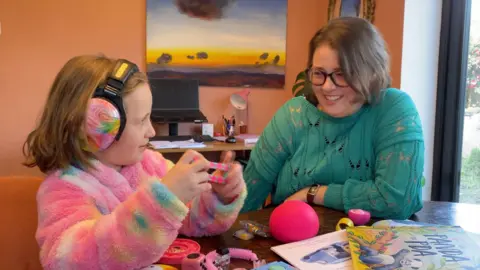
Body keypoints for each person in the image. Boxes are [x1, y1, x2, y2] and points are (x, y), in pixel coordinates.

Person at [22, 55, 247, 270]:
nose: (151, 131)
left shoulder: (150, 165)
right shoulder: (62, 189)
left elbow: (192, 220)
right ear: (96, 128)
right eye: (141, 121)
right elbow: (71, 260)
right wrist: (163, 202)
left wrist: (219, 197)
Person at [241, 17, 424, 220]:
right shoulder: (292, 116)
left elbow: (398, 200)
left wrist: (313, 194)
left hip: (371, 246)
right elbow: (246, 198)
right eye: (319, 73)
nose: (327, 87)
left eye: (342, 73)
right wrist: (220, 197)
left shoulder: (394, 109)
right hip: (289, 243)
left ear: (371, 71)